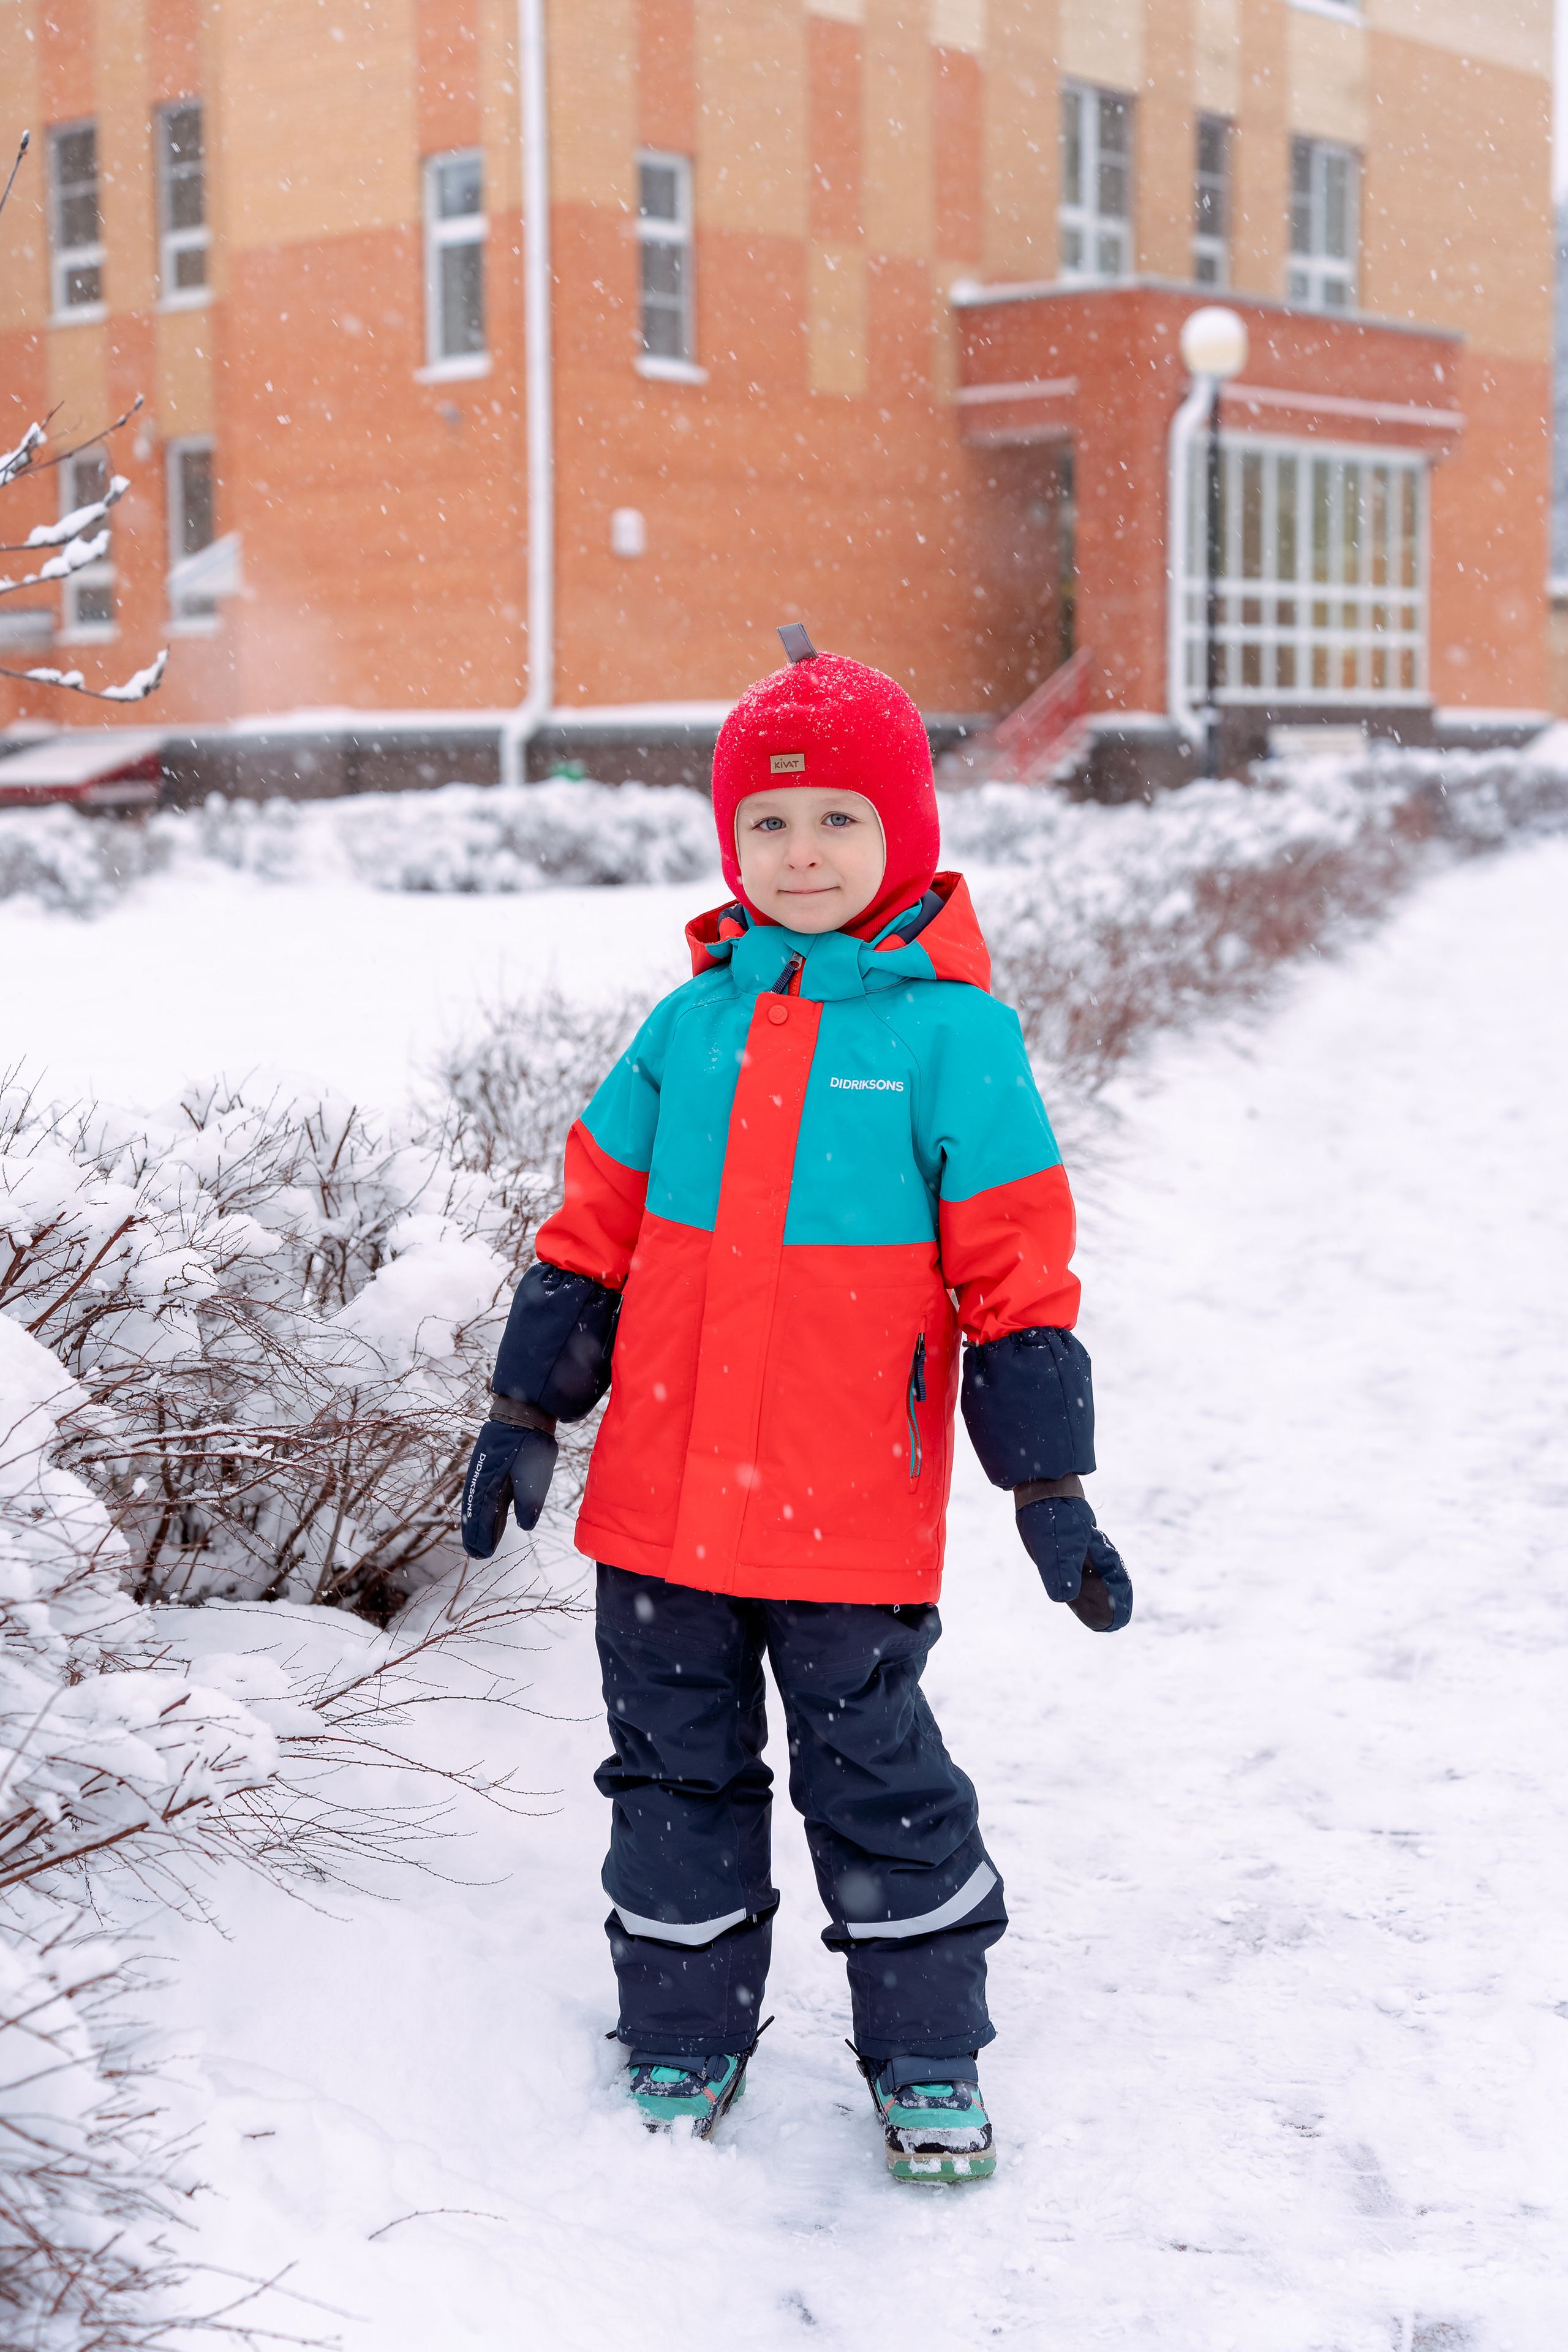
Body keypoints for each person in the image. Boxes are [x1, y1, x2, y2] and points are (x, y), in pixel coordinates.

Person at [460, 634, 1132, 2183]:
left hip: (846, 1512)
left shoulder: (951, 1036)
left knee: (877, 1779)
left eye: (838, 817)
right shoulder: (685, 1026)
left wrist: (1048, 1490)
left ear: (905, 834)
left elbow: (1014, 1278)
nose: (801, 851)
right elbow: (590, 1235)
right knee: (669, 1779)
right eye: (766, 823)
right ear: (729, 842)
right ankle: (683, 2032)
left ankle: (927, 2052)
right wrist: (522, 1406)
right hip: (661, 1512)